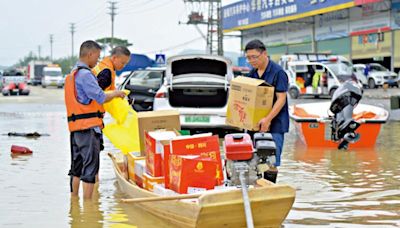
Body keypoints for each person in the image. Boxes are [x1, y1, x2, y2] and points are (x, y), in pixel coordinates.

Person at [64, 40, 126, 199]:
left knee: (76, 168)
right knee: (90, 168)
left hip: (75, 129)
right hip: (89, 128)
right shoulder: (85, 74)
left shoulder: (73, 73)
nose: (97, 61)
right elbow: (100, 97)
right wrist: (117, 93)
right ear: (90, 54)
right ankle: (89, 209)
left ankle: (74, 204)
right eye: (97, 57)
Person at [244, 39, 289, 183]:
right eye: (248, 58)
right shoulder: (252, 74)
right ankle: (257, 189)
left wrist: (268, 119)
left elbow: (281, 98)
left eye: (254, 57)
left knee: (272, 160)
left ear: (264, 54)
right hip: (256, 123)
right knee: (255, 159)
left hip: (275, 123)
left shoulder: (278, 72)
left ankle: (270, 189)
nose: (251, 61)